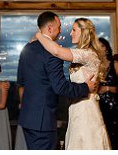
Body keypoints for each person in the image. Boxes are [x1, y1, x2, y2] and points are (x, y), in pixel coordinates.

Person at [17, 11, 97, 149]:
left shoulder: (27, 48)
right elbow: (60, 87)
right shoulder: (52, 52)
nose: (61, 31)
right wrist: (85, 87)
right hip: (43, 121)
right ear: (50, 28)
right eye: (59, 27)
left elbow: (21, 83)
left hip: (27, 118)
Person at [35, 17, 111, 149]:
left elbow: (57, 51)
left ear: (84, 33)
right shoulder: (82, 54)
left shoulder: (89, 54)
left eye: (74, 30)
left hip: (87, 112)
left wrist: (39, 35)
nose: (70, 33)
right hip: (75, 110)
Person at [97, 38, 118, 149]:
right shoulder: (95, 66)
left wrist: (107, 88)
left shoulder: (114, 64)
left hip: (113, 106)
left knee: (113, 137)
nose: (98, 48)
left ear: (106, 48)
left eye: (100, 46)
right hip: (98, 106)